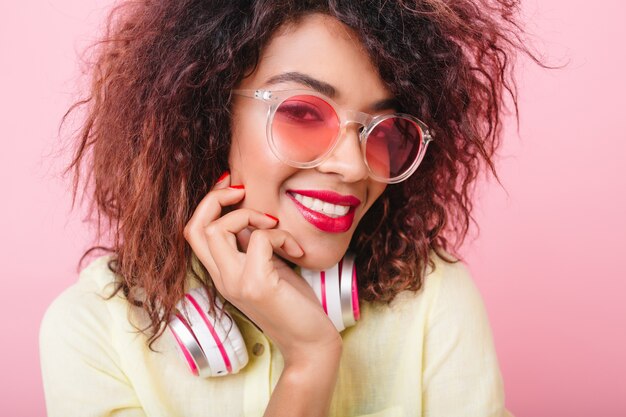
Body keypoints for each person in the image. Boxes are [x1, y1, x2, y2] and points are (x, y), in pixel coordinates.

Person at [40, 1, 532, 416]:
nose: (354, 166)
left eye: (383, 131)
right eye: (302, 113)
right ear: (206, 114)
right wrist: (310, 363)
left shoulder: (432, 298)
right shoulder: (91, 331)